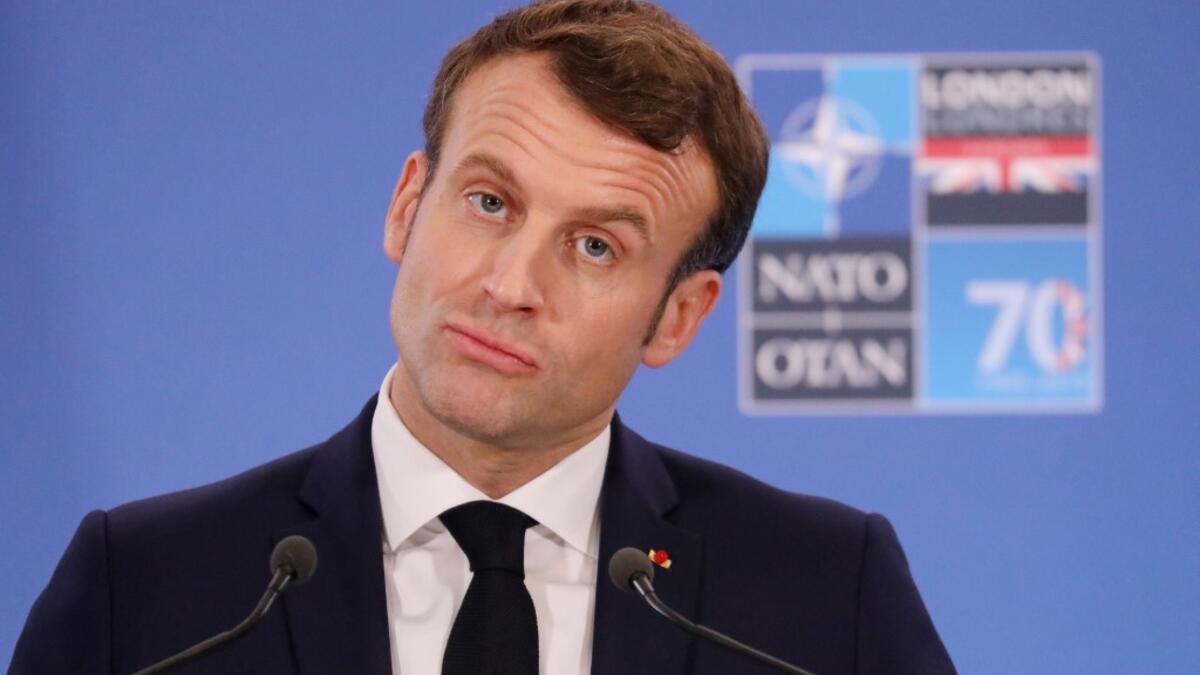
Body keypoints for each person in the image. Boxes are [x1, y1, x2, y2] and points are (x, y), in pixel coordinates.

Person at [9, 1, 957, 674]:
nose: (510, 286)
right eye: (489, 201)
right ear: (406, 206)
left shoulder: (826, 599)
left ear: (678, 315)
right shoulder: (146, 591)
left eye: (594, 245)